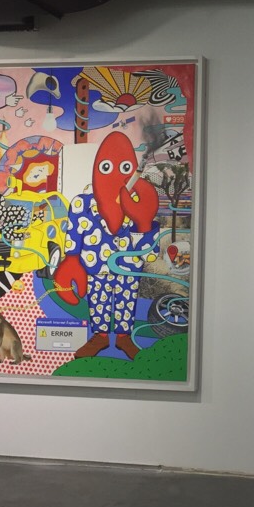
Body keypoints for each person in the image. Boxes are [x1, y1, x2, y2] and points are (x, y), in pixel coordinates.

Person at [54, 133, 160, 359]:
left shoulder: (139, 203)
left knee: (126, 302)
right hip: (96, 267)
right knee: (97, 301)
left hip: (128, 269)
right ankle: (100, 337)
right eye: (106, 167)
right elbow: (74, 235)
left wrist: (143, 222)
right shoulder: (82, 203)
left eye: (125, 168)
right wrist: (71, 260)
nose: (115, 175)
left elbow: (150, 256)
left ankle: (123, 338)